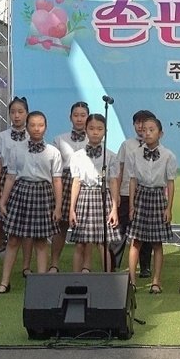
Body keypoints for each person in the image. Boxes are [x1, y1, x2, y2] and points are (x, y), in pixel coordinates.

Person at [0, 110, 63, 294]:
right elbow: (10, 177)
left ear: (46, 127)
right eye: (32, 125)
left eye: (40, 125)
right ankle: (4, 282)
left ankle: (41, 286)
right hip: (21, 192)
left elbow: (57, 180)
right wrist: (3, 201)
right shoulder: (17, 150)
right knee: (13, 239)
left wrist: (58, 206)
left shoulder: (53, 152)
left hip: (43, 194)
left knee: (41, 241)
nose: (36, 129)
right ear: (27, 127)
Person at [126, 116, 176, 294]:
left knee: (157, 243)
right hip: (141, 196)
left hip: (158, 197)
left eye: (151, 130)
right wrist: (131, 205)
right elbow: (132, 180)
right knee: (136, 241)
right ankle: (131, 281)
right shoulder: (135, 154)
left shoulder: (168, 155)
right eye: (144, 130)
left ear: (160, 133)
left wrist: (168, 208)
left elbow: (170, 183)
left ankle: (156, 281)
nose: (147, 133)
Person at [0, 97, 31, 281]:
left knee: (27, 227)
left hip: (25, 178)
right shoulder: (1, 137)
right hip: (6, 179)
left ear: (27, 113)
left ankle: (26, 267)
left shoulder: (32, 135)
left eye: (20, 112)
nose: (16, 116)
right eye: (13, 112)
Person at [68, 113, 120, 273]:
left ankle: (108, 280)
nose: (95, 132)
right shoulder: (77, 156)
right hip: (84, 197)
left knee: (103, 243)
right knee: (80, 243)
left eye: (99, 129)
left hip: (103, 197)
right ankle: (76, 280)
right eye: (91, 128)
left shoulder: (110, 156)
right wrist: (72, 209)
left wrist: (114, 208)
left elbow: (113, 182)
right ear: (85, 130)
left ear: (105, 131)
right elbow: (76, 182)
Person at [50, 101, 90, 270]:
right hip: (65, 182)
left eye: (83, 115)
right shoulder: (60, 139)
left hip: (85, 183)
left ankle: (85, 266)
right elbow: (53, 167)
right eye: (76, 115)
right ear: (70, 117)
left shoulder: (94, 138)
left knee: (85, 226)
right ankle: (54, 264)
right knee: (61, 226)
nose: (79, 119)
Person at [114, 110, 155, 277]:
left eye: (144, 123)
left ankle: (145, 267)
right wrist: (116, 193)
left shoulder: (155, 147)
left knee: (146, 232)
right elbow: (119, 169)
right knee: (120, 229)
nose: (141, 126)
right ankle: (113, 265)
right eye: (137, 122)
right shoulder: (127, 145)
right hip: (125, 192)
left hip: (146, 194)